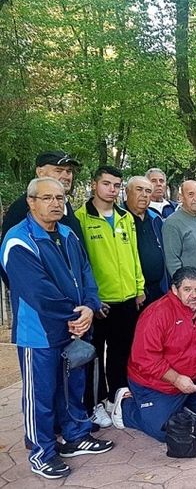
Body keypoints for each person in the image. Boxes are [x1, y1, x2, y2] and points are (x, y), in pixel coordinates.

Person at [1, 178, 113, 480]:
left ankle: (75, 436)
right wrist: (77, 315)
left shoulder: (67, 233)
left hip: (75, 327)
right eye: (47, 198)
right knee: (41, 396)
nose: (55, 203)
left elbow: (87, 272)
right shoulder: (18, 240)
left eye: (60, 198)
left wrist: (90, 305)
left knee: (72, 387)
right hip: (39, 334)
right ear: (31, 201)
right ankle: (42, 453)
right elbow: (38, 292)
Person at [111, 267, 196, 442]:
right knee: (166, 433)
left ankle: (191, 409)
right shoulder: (156, 314)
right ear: (175, 290)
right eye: (187, 289)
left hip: (192, 376)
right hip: (157, 384)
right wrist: (176, 379)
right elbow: (145, 359)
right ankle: (125, 408)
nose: (194, 295)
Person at [75, 166, 145, 417]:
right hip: (99, 302)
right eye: (106, 184)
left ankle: (118, 397)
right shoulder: (80, 218)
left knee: (121, 352)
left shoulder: (125, 217)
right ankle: (95, 404)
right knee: (94, 355)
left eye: (116, 185)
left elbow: (134, 255)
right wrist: (91, 300)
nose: (112, 189)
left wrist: (138, 287)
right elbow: (81, 264)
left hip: (127, 297)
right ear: (94, 184)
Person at [1, 151, 84, 248]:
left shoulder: (65, 204)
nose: (66, 176)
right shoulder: (22, 208)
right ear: (40, 172)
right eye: (59, 171)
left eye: (69, 171)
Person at [124, 176, 169, 307]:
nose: (144, 195)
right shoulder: (120, 219)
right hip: (133, 292)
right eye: (139, 189)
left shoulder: (156, 219)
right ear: (127, 192)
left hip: (159, 288)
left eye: (148, 191)